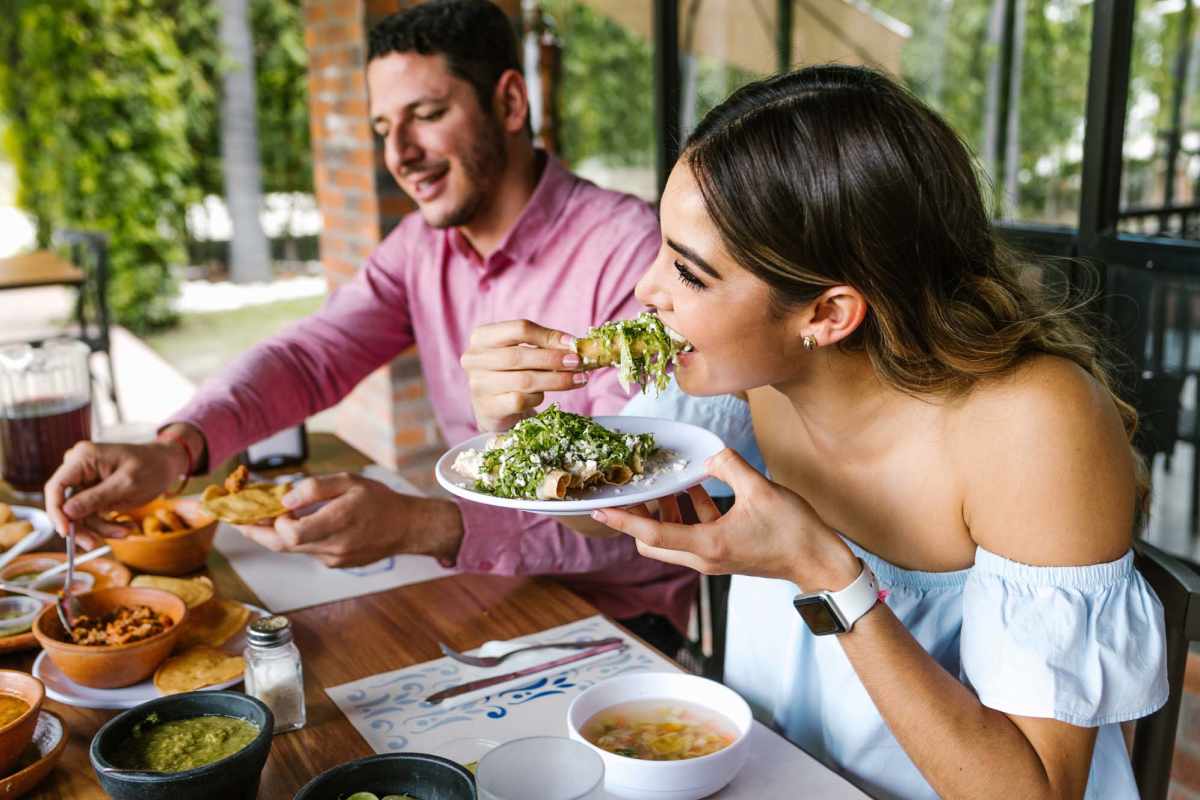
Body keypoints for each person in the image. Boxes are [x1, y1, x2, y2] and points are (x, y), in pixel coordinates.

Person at [476, 65, 1168, 798]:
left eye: (690, 274)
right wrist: (520, 434)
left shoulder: (1034, 424)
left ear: (828, 314)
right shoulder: (752, 376)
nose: (646, 291)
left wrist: (825, 573)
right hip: (777, 772)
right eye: (662, 250)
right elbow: (614, 516)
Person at [43, 0, 757, 653]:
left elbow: (641, 515)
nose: (399, 154)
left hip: (621, 625)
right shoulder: (420, 248)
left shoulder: (630, 254)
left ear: (510, 102)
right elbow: (312, 356)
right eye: (385, 128)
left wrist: (423, 525)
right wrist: (175, 448)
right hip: (481, 589)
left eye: (426, 114)